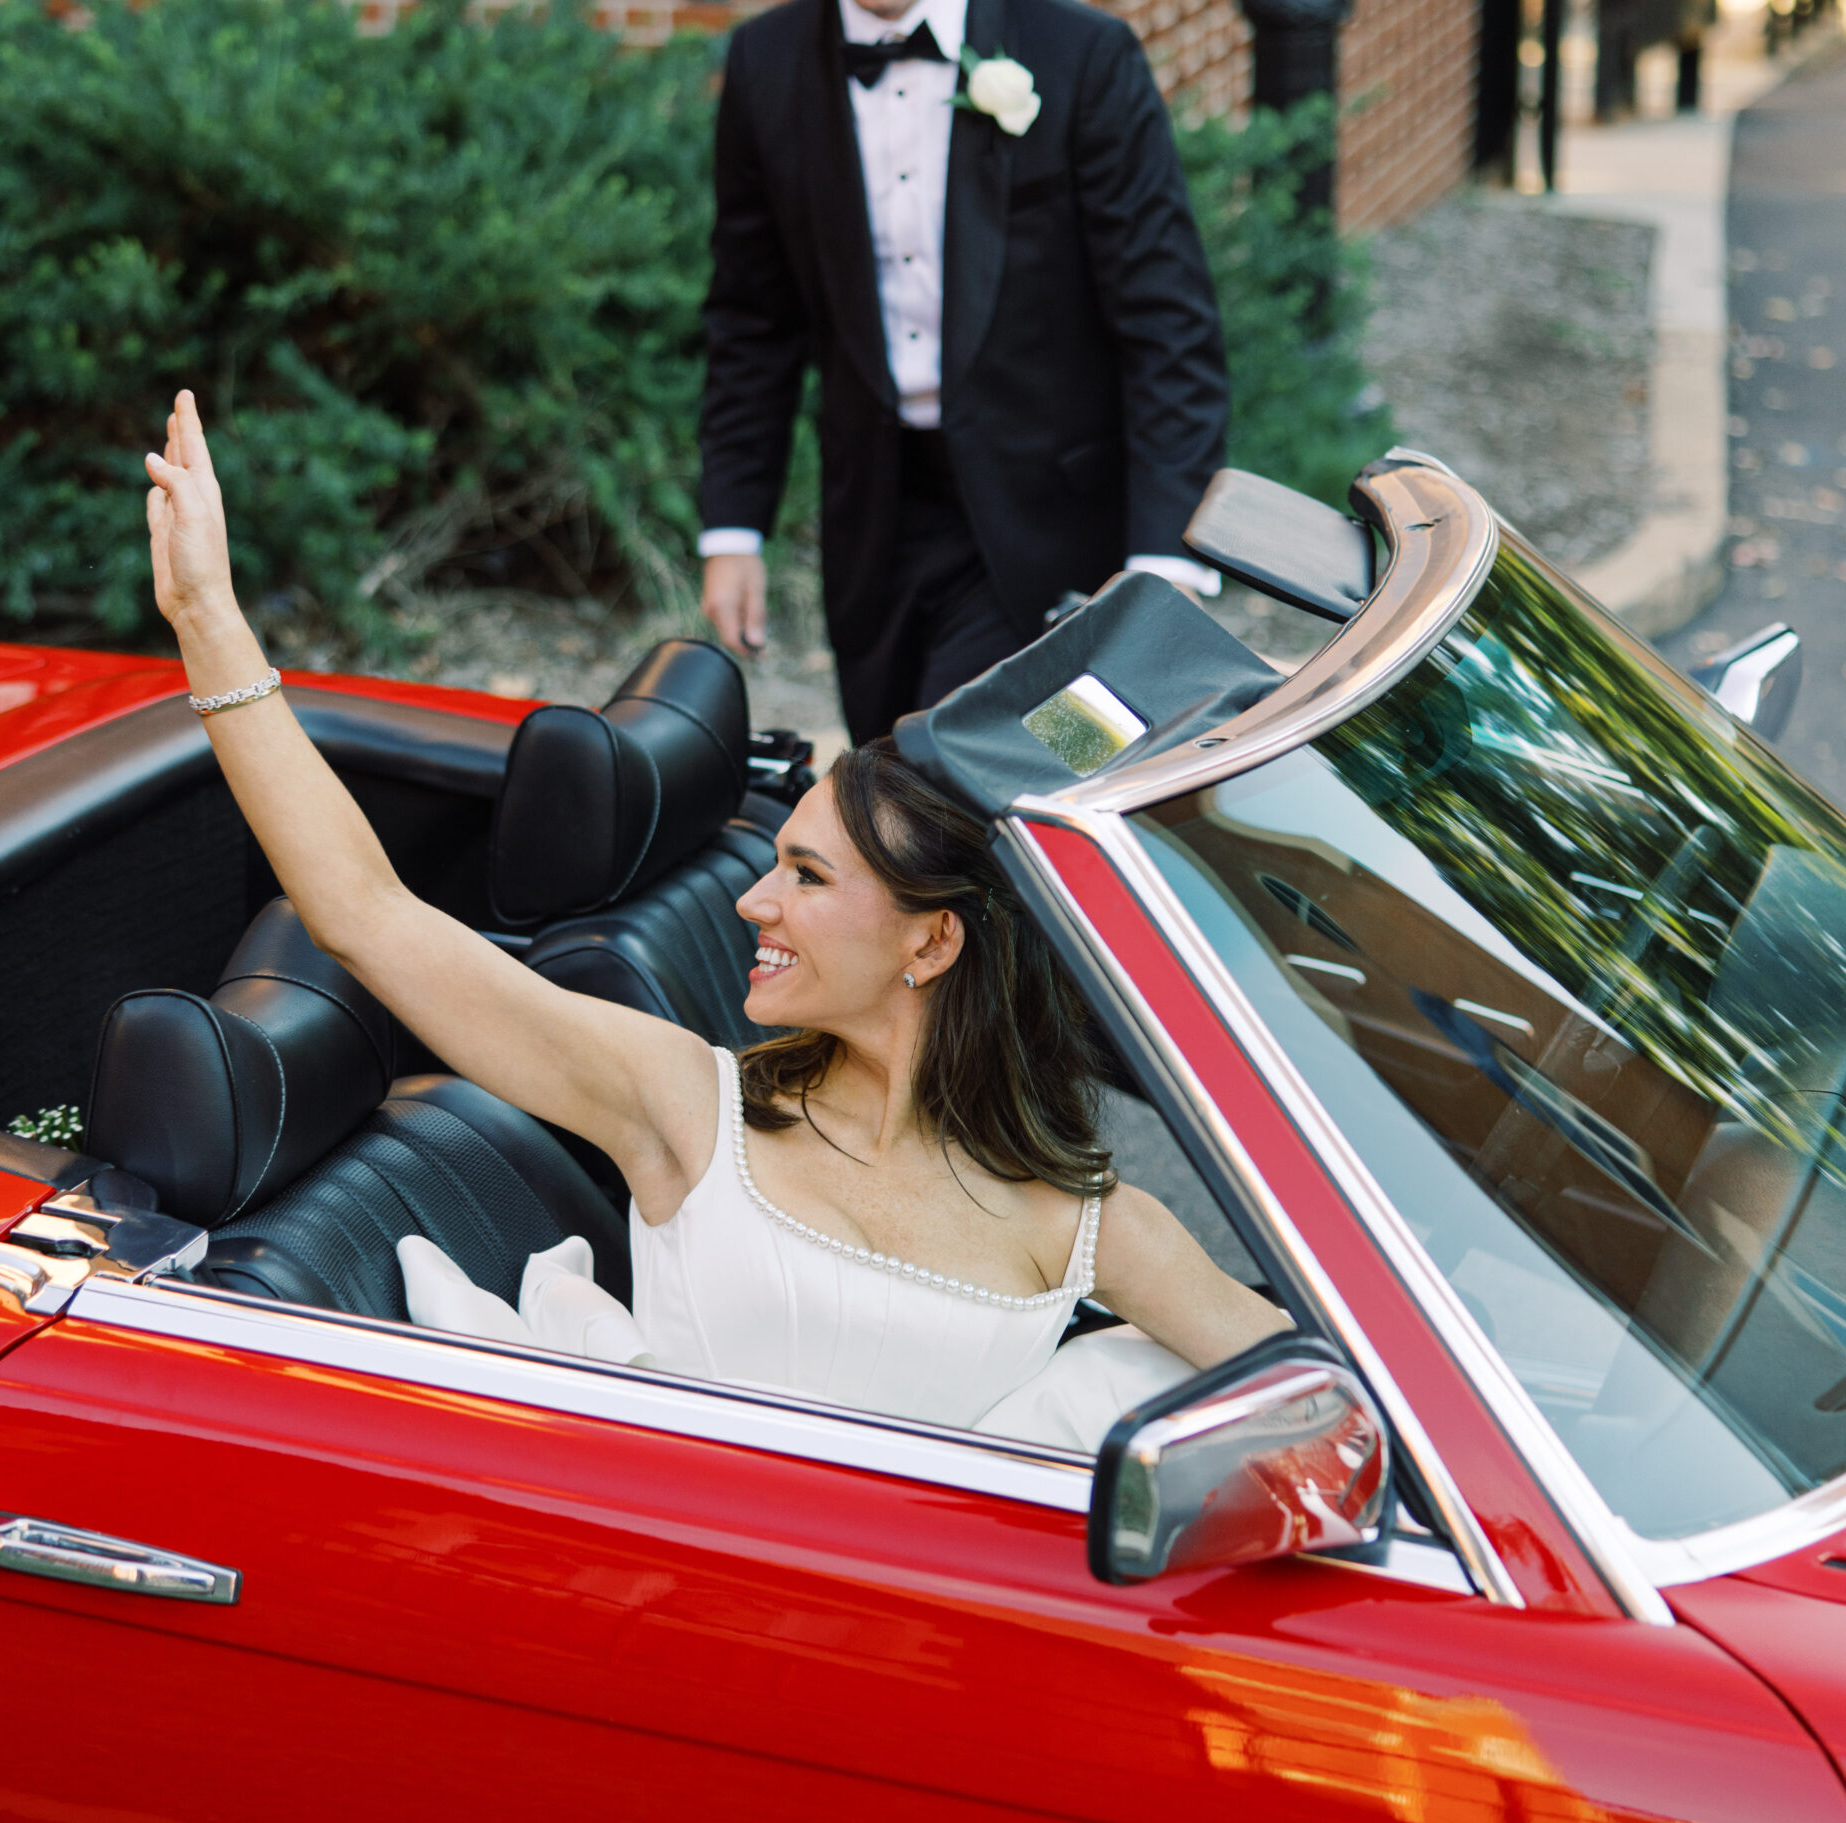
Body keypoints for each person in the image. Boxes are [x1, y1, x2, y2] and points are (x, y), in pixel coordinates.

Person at [143, 392, 1286, 1443]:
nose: (753, 898)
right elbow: (366, 915)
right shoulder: (685, 1106)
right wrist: (209, 620)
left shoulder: (1092, 1225)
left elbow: (1338, 1402)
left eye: (807, 876)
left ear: (932, 941)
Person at [698, 0, 1230, 749]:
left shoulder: (1081, 59)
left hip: (1057, 528)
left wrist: (1165, 569)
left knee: (1012, 774)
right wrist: (733, 528)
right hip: (876, 525)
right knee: (897, 767)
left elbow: (1169, 329)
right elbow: (752, 320)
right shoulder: (766, 66)